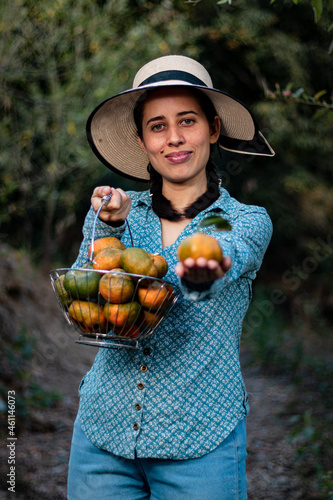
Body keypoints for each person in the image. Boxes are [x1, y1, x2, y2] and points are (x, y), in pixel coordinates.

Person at [67, 55, 274, 500]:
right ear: (142, 140)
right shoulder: (116, 212)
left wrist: (202, 265)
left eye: (187, 121)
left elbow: (223, 261)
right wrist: (108, 228)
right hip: (102, 438)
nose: (174, 138)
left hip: (201, 444)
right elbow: (85, 295)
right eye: (157, 126)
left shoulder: (244, 221)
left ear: (213, 129)